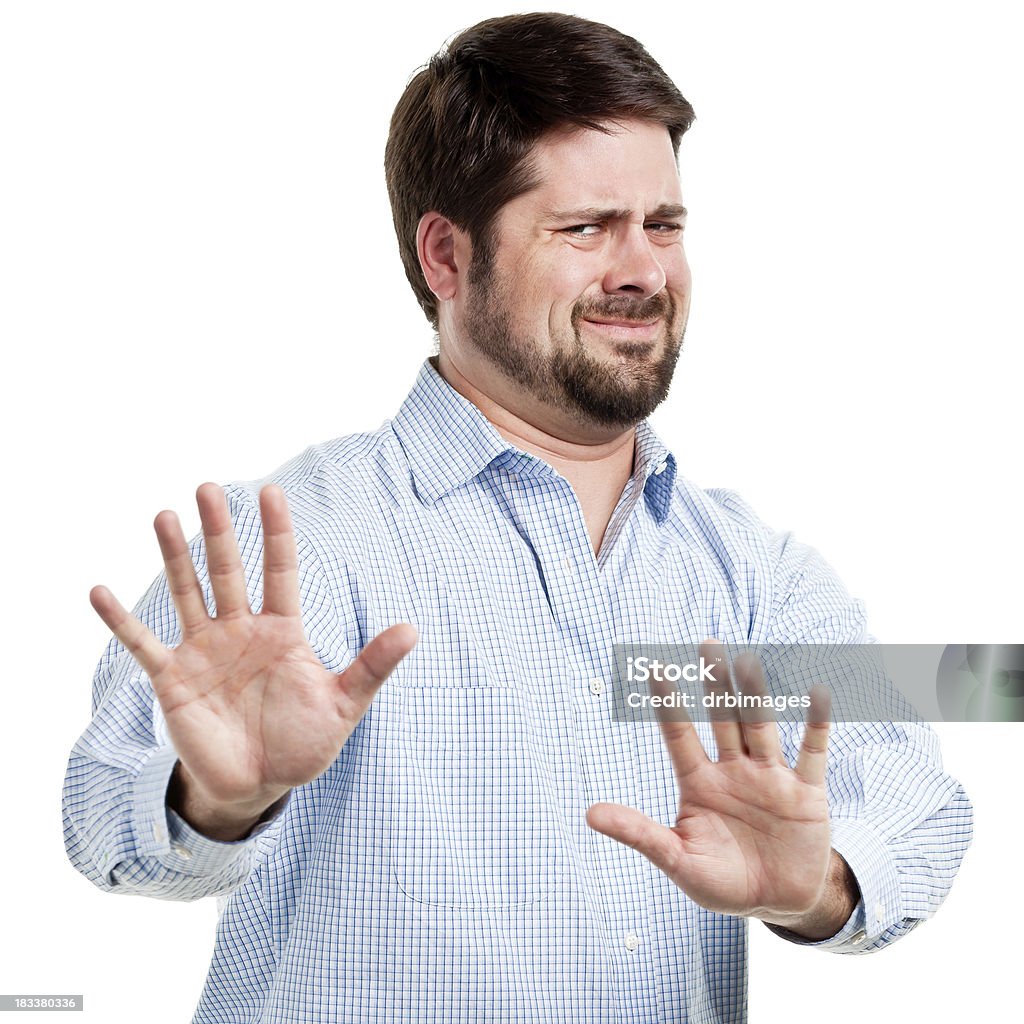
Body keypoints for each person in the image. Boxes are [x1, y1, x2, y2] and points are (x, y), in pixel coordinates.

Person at [62, 13, 972, 1023]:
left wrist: (821, 885)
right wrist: (217, 799)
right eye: (585, 228)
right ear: (446, 256)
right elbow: (103, 817)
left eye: (662, 225)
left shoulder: (760, 571)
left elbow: (915, 800)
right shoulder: (291, 545)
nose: (643, 272)